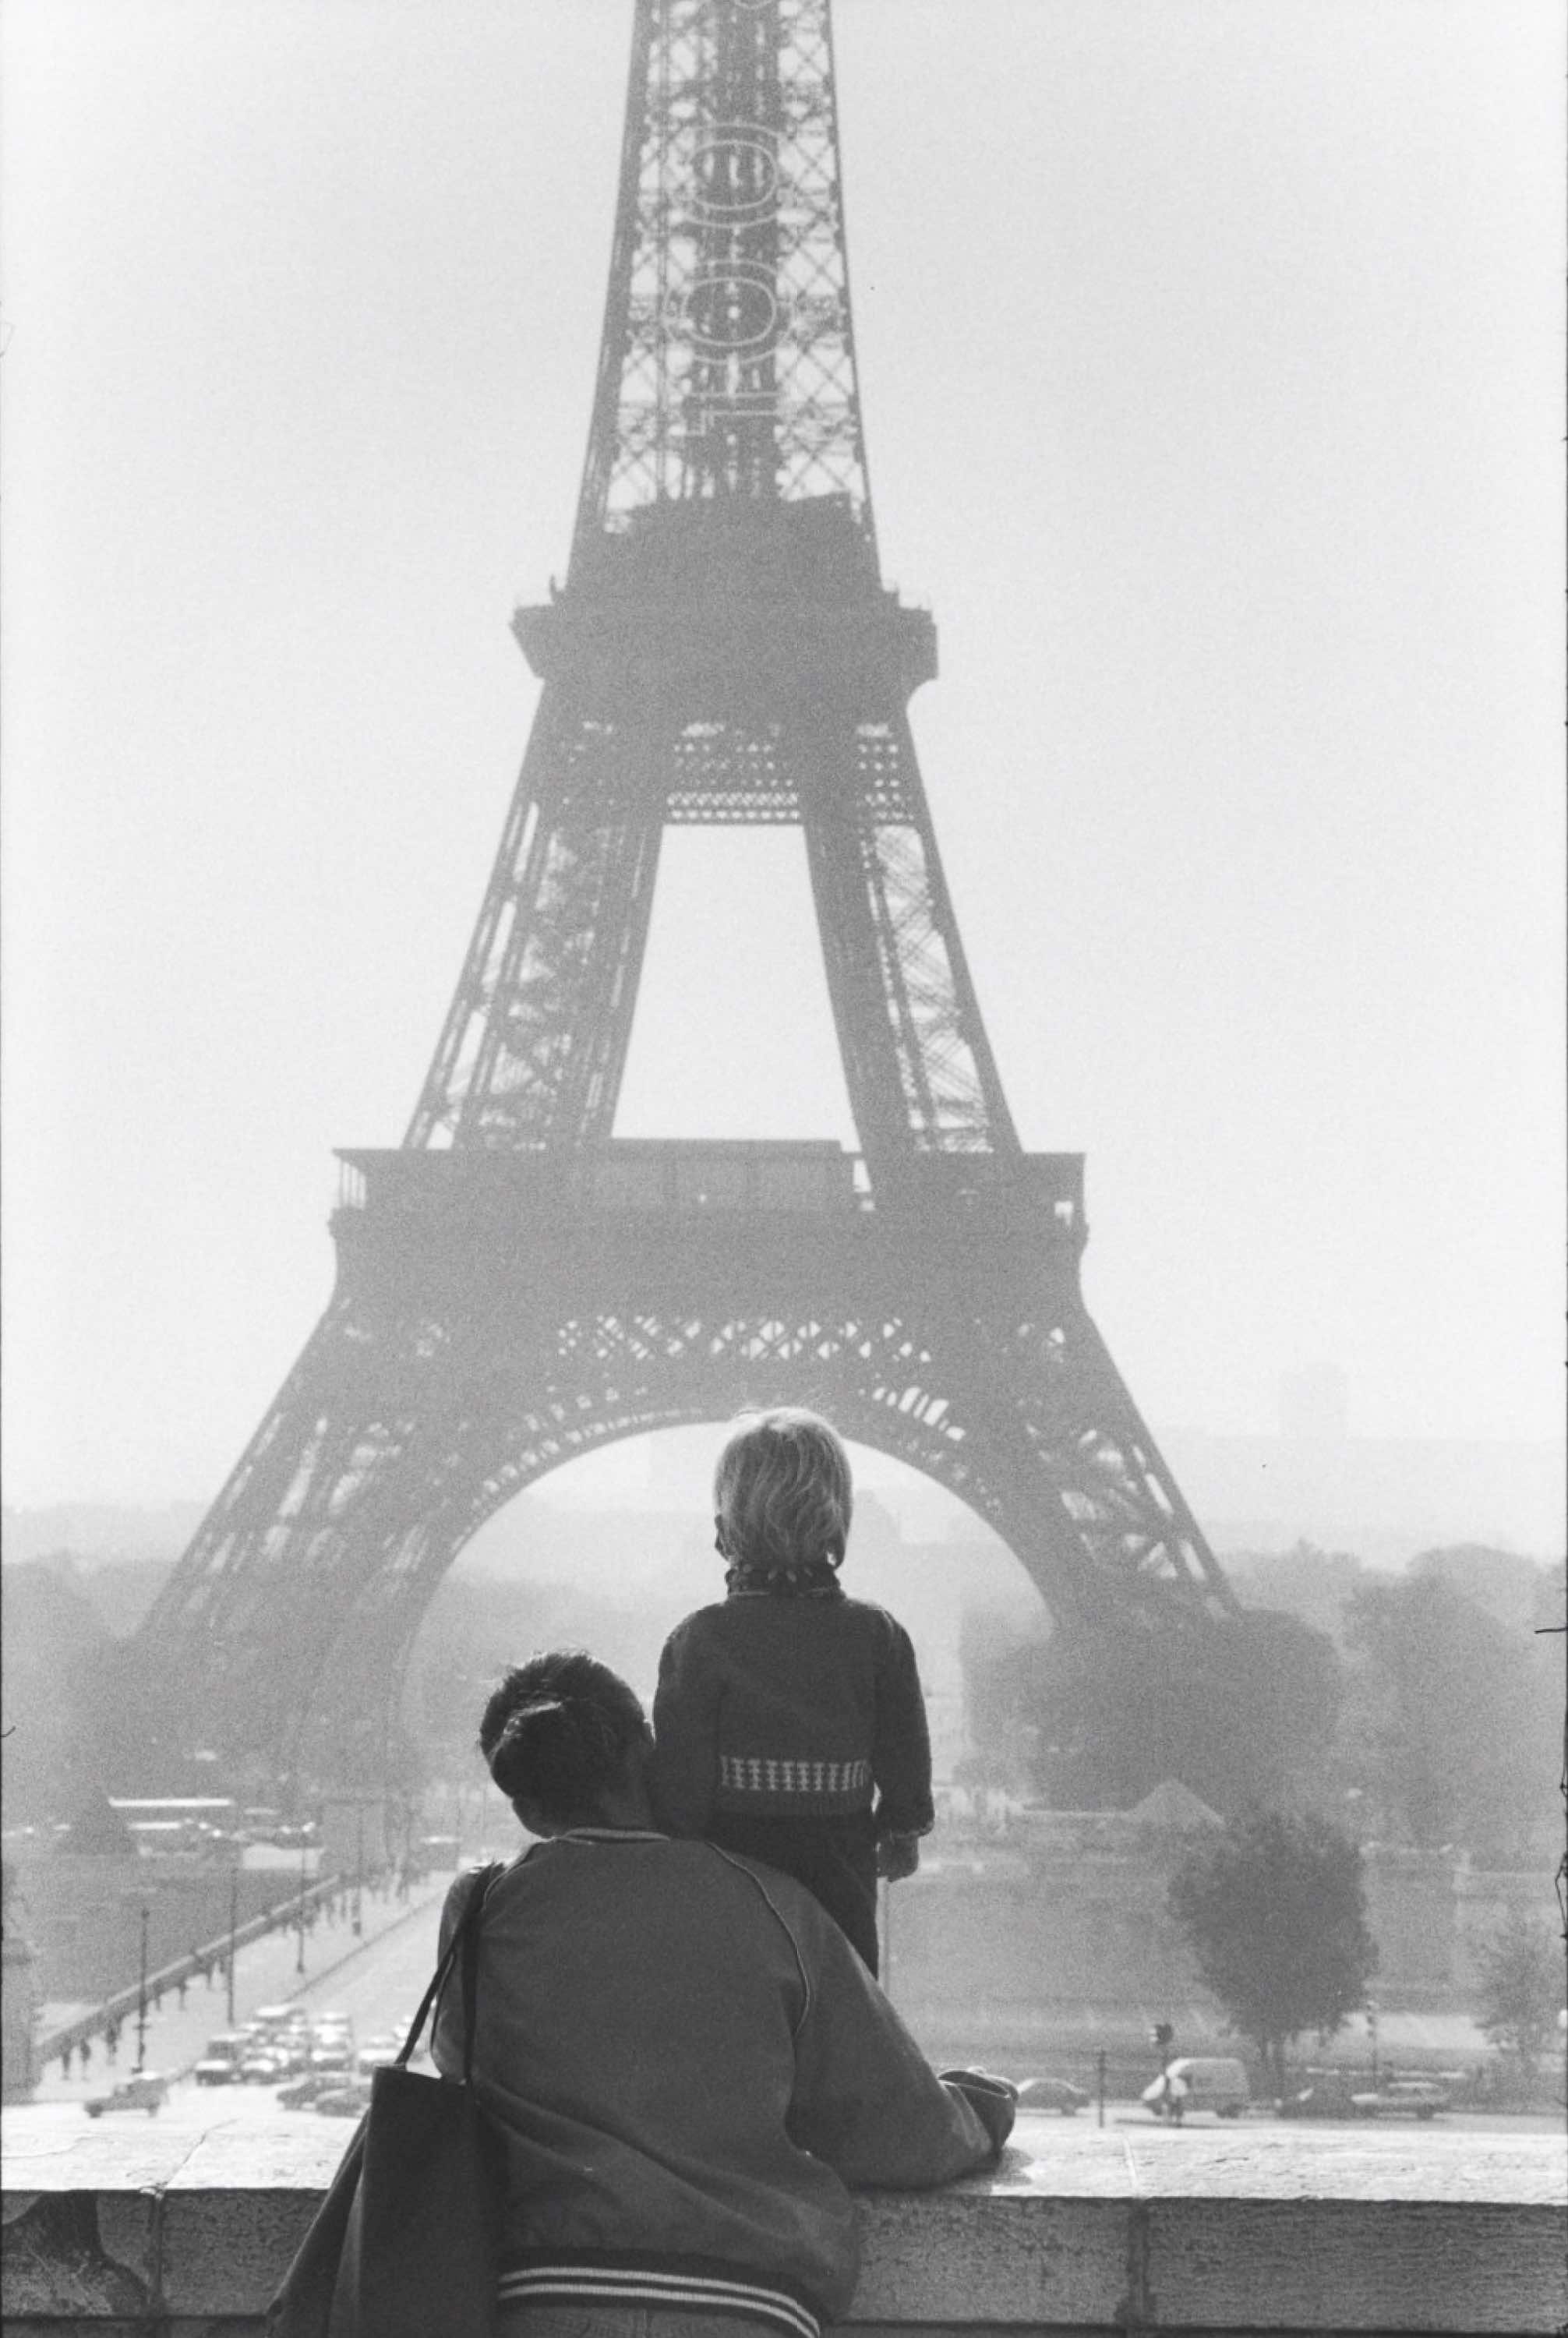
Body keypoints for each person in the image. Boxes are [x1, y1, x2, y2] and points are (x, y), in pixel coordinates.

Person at [433, 1650, 1014, 2338]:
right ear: (648, 1751)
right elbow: (894, 2128)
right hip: (746, 2295)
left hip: (541, 2288)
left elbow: (460, 2066)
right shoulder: (771, 1903)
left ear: (527, 1809)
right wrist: (983, 2110)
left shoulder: (482, 1909)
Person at [651, 1408, 931, 1973]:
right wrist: (901, 1829)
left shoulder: (700, 1642)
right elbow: (904, 1755)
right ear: (837, 1518)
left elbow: (682, 1791)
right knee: (840, 2001)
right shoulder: (877, 1637)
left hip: (732, 1880)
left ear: (725, 1528)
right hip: (839, 1878)